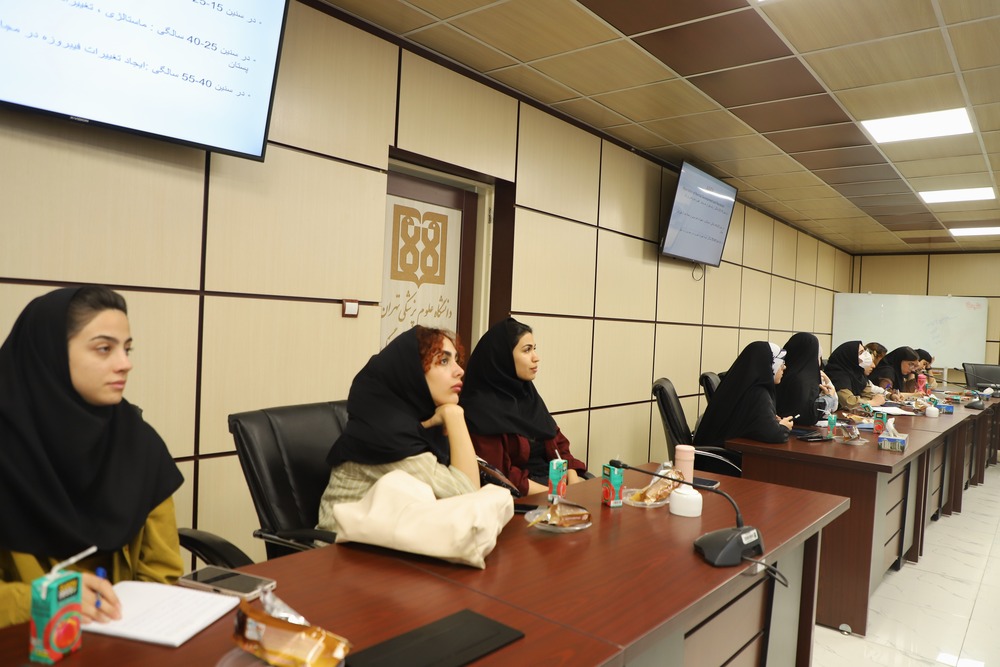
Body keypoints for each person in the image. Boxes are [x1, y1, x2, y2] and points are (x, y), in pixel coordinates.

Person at [0, 286, 184, 629]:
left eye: (127, 349)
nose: (125, 364)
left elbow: (163, 571)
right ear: (50, 353)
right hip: (27, 641)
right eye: (104, 349)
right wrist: (49, 598)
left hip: (122, 637)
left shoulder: (137, 442)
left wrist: (130, 630)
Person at [317, 326, 480, 533]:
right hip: (339, 550)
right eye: (443, 361)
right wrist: (455, 417)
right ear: (411, 373)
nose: (460, 371)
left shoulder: (417, 421)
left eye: (456, 360)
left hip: (385, 544)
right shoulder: (385, 436)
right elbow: (469, 498)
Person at [460, 318, 587, 497]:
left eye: (534, 349)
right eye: (527, 350)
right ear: (503, 357)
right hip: (523, 496)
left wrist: (573, 480)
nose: (536, 357)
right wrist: (554, 494)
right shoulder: (480, 408)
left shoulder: (527, 394)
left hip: (556, 486)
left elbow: (558, 442)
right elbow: (501, 474)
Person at [694, 341, 792, 446]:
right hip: (723, 453)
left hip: (712, 448)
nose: (784, 367)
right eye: (781, 363)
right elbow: (774, 434)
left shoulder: (740, 385)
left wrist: (770, 420)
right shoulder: (758, 393)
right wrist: (783, 427)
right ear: (770, 365)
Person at [775, 332, 836, 426]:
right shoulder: (803, 380)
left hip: (781, 427)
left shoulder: (781, 373)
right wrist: (828, 399)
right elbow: (807, 415)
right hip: (794, 430)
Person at [825, 340, 887, 409]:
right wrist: (873, 402)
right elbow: (848, 402)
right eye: (861, 352)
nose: (865, 355)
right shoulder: (837, 374)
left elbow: (868, 394)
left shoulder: (857, 373)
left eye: (864, 351)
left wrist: (882, 397)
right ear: (851, 356)